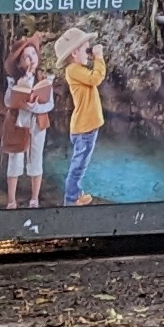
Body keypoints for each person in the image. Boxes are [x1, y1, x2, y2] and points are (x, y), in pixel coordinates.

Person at [55, 29, 109, 205]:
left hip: (87, 126)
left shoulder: (78, 69)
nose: (89, 53)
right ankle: (70, 200)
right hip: (83, 128)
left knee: (81, 164)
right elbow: (96, 78)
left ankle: (77, 194)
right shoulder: (72, 70)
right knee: (78, 166)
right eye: (86, 50)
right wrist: (99, 58)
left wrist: (93, 59)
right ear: (74, 52)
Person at [1, 38, 54, 209]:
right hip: (18, 122)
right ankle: (11, 200)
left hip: (37, 123)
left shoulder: (44, 79)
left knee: (36, 158)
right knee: (15, 158)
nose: (31, 58)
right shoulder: (15, 80)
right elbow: (8, 102)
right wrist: (19, 88)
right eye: (26, 56)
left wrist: (36, 106)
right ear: (19, 63)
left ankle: (34, 198)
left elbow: (50, 104)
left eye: (33, 54)